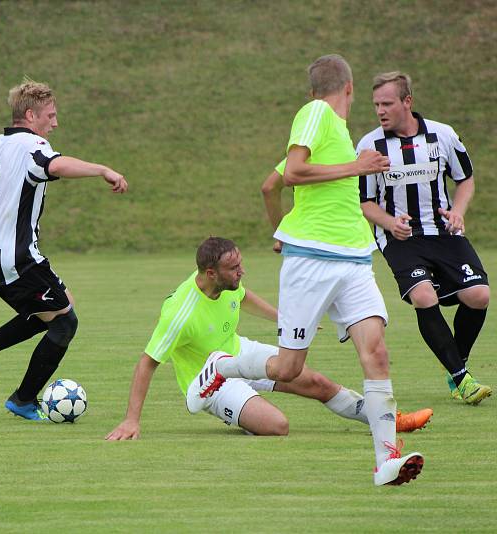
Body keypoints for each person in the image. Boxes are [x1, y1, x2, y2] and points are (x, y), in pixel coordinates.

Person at [197, 55, 424, 486]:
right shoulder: (316, 113)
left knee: (376, 352)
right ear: (351, 88)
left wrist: (278, 229)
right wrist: (355, 168)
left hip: (355, 258)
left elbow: (270, 185)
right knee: (287, 369)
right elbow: (294, 173)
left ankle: (386, 462)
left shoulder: (336, 134)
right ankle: (224, 367)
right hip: (312, 259)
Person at [0, 79, 128, 421]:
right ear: (31, 115)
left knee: (61, 306)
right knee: (65, 324)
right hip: (20, 257)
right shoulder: (34, 147)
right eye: (51, 115)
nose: (55, 123)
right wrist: (102, 170)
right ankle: (23, 398)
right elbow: (56, 165)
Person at [105, 237, 432, 440]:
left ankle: (386, 419)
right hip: (207, 384)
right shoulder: (180, 312)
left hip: (237, 355)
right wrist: (131, 420)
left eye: (240, 264)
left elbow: (244, 298)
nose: (241, 272)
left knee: (317, 382)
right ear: (210, 273)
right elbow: (147, 363)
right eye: (233, 268)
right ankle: (236, 402)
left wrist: (287, 320)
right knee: (278, 426)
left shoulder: (227, 285)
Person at [357, 71, 491, 405]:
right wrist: (390, 222)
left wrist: (458, 211)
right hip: (400, 239)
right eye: (376, 105)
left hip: (443, 231)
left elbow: (466, 179)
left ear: (407, 102)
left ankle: (455, 366)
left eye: (387, 103)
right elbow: (364, 203)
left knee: (479, 295)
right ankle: (462, 380)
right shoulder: (370, 145)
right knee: (423, 296)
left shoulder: (442, 135)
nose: (380, 111)